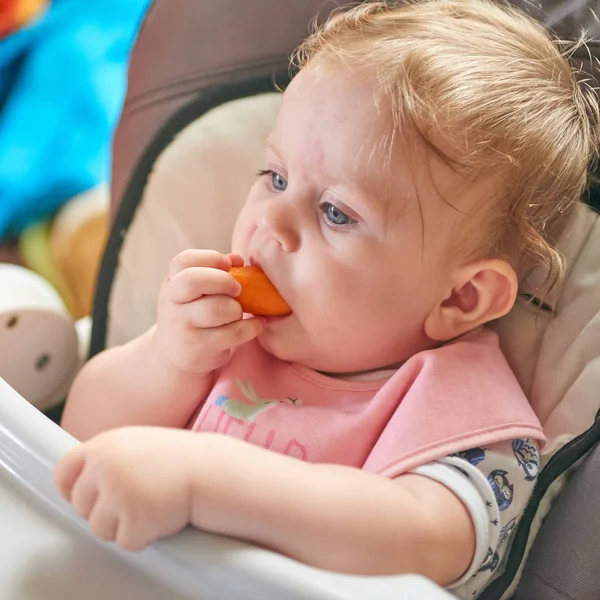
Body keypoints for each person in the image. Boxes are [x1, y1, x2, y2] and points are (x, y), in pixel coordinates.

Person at [54, 0, 599, 597]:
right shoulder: (223, 336)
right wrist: (166, 357)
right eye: (276, 178)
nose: (272, 223)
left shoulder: (467, 419)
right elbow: (79, 442)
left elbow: (417, 539)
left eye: (336, 213)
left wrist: (203, 483)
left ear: (464, 298)